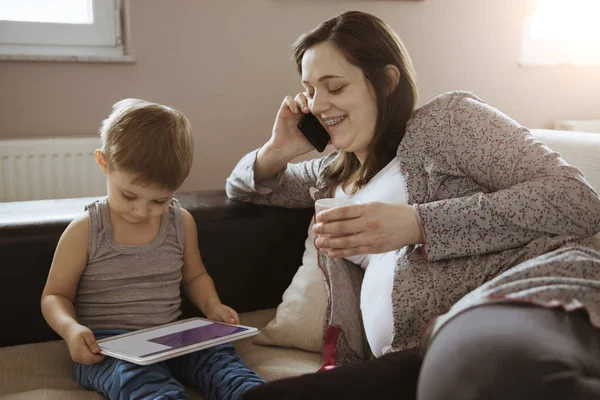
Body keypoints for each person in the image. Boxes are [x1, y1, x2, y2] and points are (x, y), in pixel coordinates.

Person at [226, 10, 600, 400]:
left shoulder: (449, 122)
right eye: (311, 90)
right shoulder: (328, 175)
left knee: (479, 369)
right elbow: (242, 188)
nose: (319, 104)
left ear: (387, 82)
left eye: (334, 87)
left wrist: (419, 224)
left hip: (518, 304)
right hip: (415, 358)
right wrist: (277, 150)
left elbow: (579, 201)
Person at [41, 98, 264, 400]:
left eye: (159, 201)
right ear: (103, 163)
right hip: (108, 346)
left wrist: (212, 306)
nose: (141, 211)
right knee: (140, 382)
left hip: (172, 335)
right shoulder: (86, 230)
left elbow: (195, 276)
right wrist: (71, 330)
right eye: (129, 195)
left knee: (221, 362)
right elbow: (55, 296)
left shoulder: (180, 222)